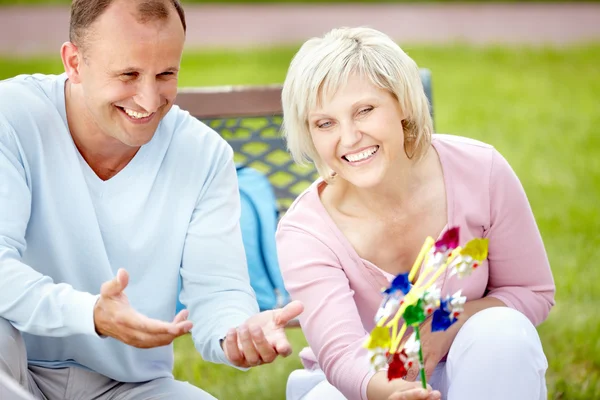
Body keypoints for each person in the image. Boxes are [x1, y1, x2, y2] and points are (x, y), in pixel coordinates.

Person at [0, 0, 303, 399]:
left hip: (129, 388)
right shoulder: (13, 116)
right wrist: (91, 314)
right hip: (11, 372)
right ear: (74, 62)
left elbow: (218, 289)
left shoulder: (203, 155)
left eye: (165, 74)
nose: (148, 100)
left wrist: (237, 332)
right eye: (128, 74)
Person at [276, 27, 555, 400]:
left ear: (403, 103)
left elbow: (531, 291)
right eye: (325, 123)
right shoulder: (306, 230)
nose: (349, 137)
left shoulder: (481, 170)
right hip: (362, 386)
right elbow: (342, 356)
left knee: (503, 332)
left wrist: (451, 322)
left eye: (365, 111)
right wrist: (393, 393)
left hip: (471, 367)